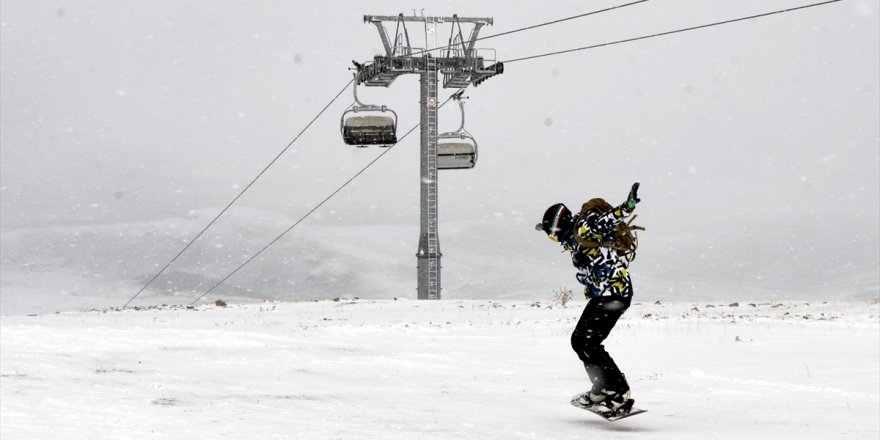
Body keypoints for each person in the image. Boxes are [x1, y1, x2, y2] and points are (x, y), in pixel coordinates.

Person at [536, 183, 641, 415]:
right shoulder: (576, 239)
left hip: (613, 293)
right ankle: (604, 388)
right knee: (583, 341)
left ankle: (616, 390)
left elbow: (605, 222)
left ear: (559, 226)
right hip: (610, 294)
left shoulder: (583, 228)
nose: (554, 240)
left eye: (552, 235)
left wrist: (626, 207)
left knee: (585, 342)